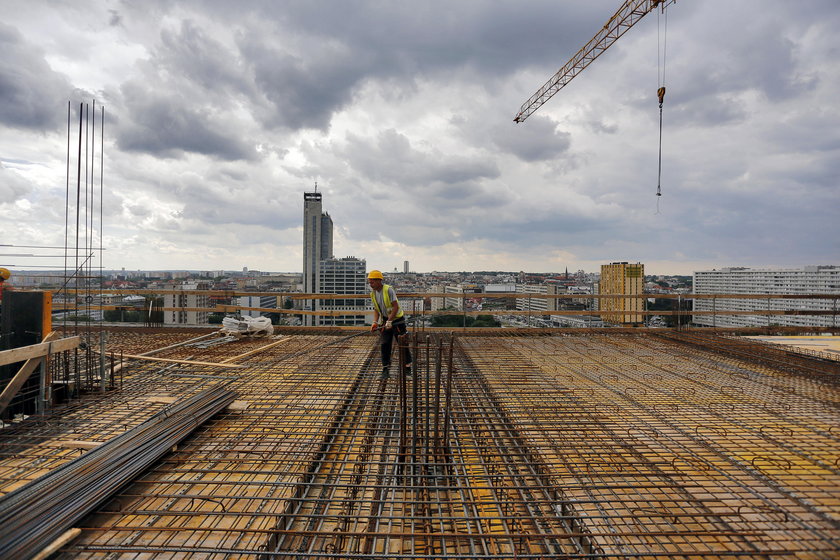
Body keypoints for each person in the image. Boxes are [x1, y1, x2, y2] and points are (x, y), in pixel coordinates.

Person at [368, 270, 412, 378]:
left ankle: (407, 370)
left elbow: (395, 307)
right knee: (385, 344)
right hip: (385, 320)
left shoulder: (388, 290)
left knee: (402, 343)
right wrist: (375, 322)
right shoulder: (373, 294)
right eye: (369, 282)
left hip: (397, 320)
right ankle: (385, 369)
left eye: (372, 281)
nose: (370, 284)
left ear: (379, 281)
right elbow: (376, 309)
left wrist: (390, 321)